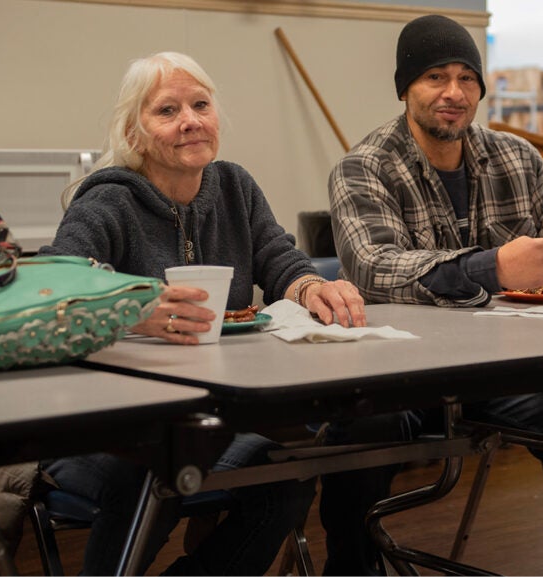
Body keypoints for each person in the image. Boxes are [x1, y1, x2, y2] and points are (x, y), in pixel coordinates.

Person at [324, 14, 543, 576]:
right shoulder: (363, 168)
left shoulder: (517, 158)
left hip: (496, 372)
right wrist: (493, 268)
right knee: (358, 431)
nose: (453, 93)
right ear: (405, 87)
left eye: (466, 79)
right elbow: (374, 269)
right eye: (434, 77)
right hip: (400, 375)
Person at [40, 51, 365, 575]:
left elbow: (277, 256)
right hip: (99, 428)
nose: (190, 120)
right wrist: (130, 307)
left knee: (284, 472)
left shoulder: (234, 187)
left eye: (201, 105)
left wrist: (307, 285)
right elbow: (58, 280)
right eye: (167, 111)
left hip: (207, 418)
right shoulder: (106, 203)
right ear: (134, 132)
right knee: (161, 472)